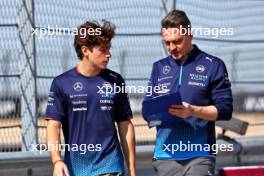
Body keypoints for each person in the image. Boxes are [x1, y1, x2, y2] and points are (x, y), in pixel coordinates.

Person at [143, 10, 233, 176]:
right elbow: (147, 109)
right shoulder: (159, 67)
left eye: (177, 42)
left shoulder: (213, 65)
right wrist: (153, 114)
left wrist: (192, 111)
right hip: (165, 156)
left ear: (190, 35)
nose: (172, 48)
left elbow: (225, 110)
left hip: (200, 155)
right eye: (167, 43)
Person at [45, 20, 136, 176]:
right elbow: (53, 126)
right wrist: (57, 160)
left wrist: (132, 171)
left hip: (111, 167)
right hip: (76, 169)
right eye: (103, 49)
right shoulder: (61, 83)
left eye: (109, 49)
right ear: (85, 50)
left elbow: (125, 125)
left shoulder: (116, 80)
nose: (109, 54)